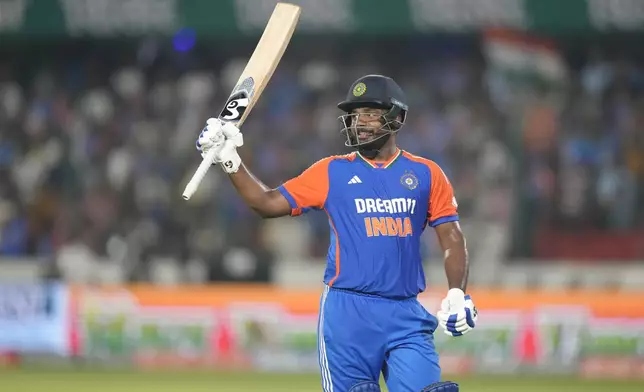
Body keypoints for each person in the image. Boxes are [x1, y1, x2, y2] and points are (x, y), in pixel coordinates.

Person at [196, 75, 477, 392]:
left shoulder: (426, 173)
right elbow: (266, 203)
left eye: (371, 112)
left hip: (405, 312)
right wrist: (230, 160)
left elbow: (452, 235)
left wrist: (457, 292)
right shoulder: (332, 171)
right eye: (356, 114)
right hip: (347, 314)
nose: (361, 122)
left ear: (397, 117)